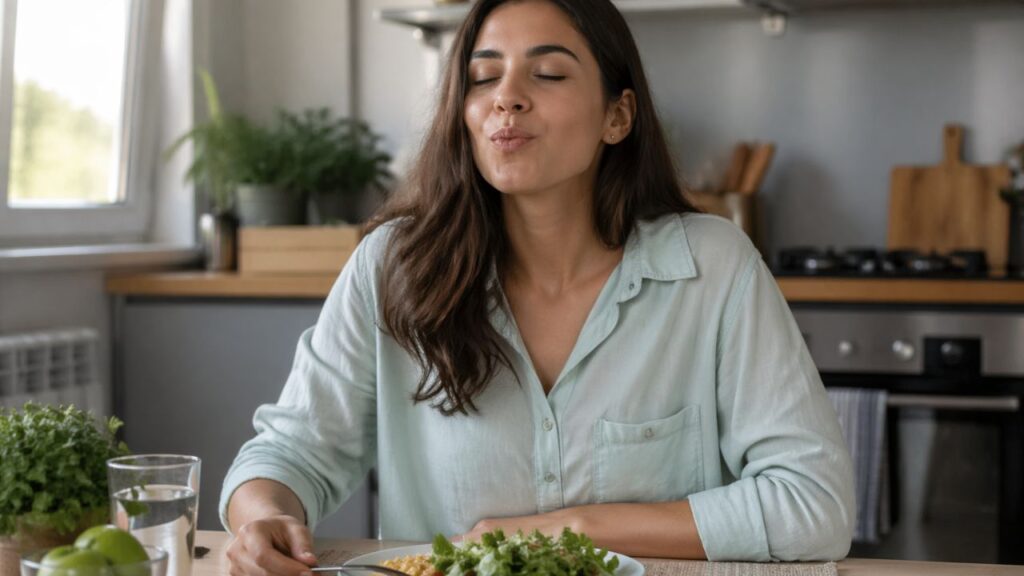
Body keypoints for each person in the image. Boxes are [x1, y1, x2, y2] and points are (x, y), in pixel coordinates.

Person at [220, 0, 855, 573]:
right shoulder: (391, 267)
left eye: (547, 74)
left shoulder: (713, 267)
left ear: (617, 115)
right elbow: (289, 454)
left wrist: (567, 530)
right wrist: (261, 518)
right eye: (482, 77)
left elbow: (814, 503)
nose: (507, 97)